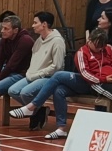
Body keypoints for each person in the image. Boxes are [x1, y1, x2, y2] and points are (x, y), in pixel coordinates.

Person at [9, 12, 81, 140]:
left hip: (49, 77)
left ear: (44, 24)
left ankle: (33, 110)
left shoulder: (57, 41)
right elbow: (34, 60)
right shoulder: (38, 40)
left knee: (25, 93)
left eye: (35, 22)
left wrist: (38, 74)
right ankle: (39, 111)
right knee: (13, 90)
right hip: (33, 75)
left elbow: (57, 66)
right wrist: (30, 73)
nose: (33, 25)